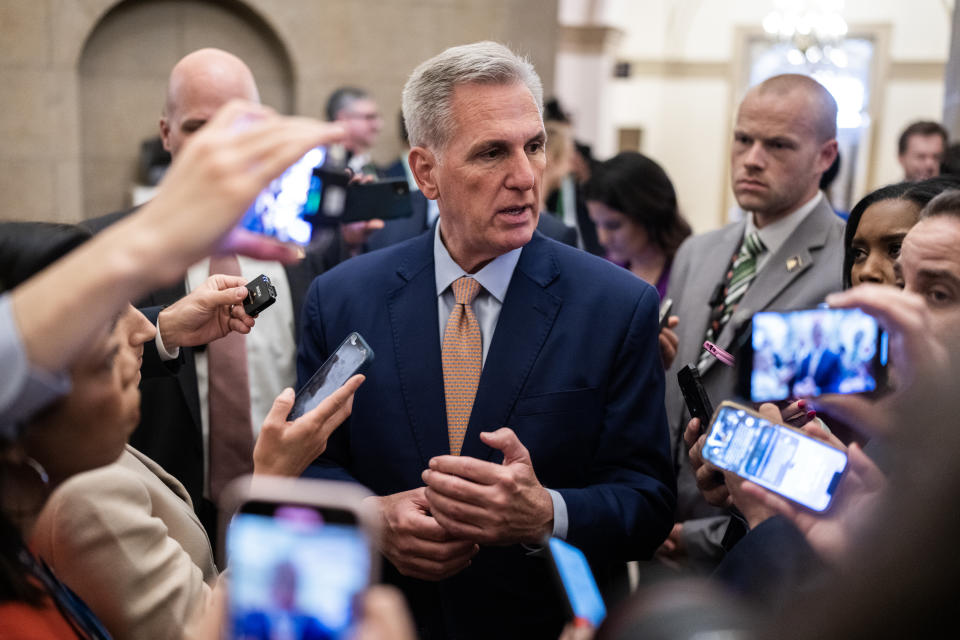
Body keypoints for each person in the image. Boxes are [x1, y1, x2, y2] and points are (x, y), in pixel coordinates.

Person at [297, 41, 675, 639]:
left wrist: (546, 513)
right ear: (426, 172)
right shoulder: (342, 298)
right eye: (492, 152)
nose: (525, 177)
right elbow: (307, 461)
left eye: (534, 146)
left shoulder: (616, 305)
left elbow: (649, 501)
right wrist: (370, 518)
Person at [0, 100, 346, 638]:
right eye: (106, 322)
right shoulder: (79, 495)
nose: (143, 329)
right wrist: (274, 486)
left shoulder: (303, 255)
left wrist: (167, 328)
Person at [84, 48, 332, 527]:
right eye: (199, 126)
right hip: (158, 516)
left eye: (236, 125)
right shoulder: (105, 247)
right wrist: (164, 330)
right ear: (166, 135)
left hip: (289, 508)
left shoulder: (309, 249)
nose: (219, 143)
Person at [662, 73, 845, 567]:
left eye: (778, 145)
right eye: (743, 139)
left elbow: (828, 431)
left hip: (761, 543)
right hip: (662, 525)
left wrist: (702, 536)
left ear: (825, 157)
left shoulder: (848, 265)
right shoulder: (698, 252)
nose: (752, 158)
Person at [583, 151, 692, 300]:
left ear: (648, 214)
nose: (603, 239)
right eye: (596, 224)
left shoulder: (690, 273)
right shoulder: (604, 271)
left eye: (613, 225)